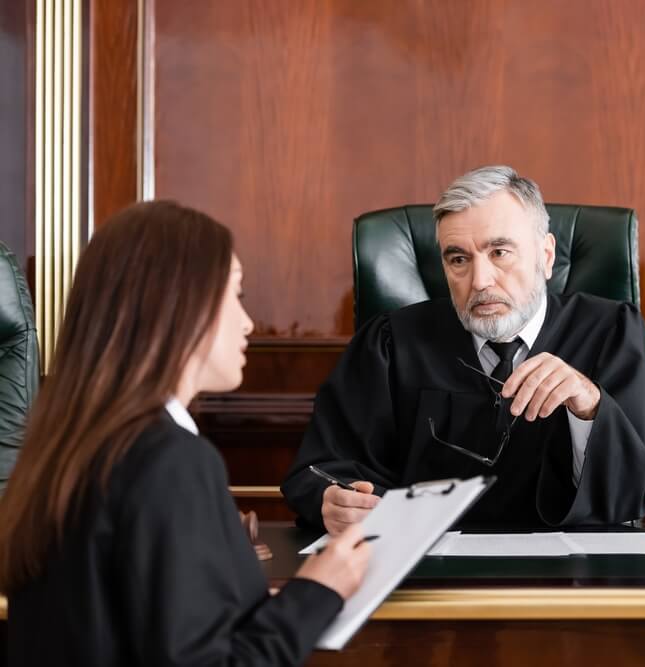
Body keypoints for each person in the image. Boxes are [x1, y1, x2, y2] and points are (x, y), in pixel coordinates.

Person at [0, 201, 370, 666]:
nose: (248, 322)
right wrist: (319, 590)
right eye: (235, 294)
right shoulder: (169, 459)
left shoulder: (66, 449)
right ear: (178, 303)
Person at [283, 166, 645, 533]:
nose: (480, 281)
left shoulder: (612, 332)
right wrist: (332, 501)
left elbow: (637, 492)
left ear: (546, 256)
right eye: (459, 259)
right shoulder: (391, 342)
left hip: (571, 582)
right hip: (423, 579)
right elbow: (321, 471)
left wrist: (589, 406)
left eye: (500, 252)